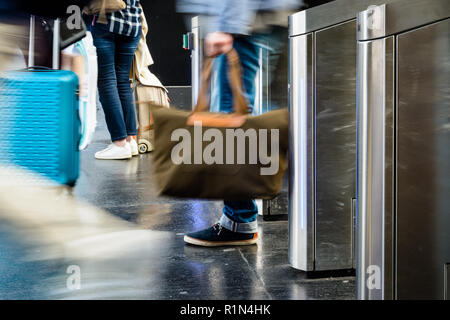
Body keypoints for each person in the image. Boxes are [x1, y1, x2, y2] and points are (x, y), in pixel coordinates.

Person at [178, 0, 303, 246]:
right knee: (261, 116)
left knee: (231, 122)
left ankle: (240, 221)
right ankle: (266, 191)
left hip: (244, 25)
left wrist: (227, 26)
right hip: (262, 18)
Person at [89, 0, 142, 160]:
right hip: (133, 23)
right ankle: (130, 140)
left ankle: (119, 143)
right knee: (122, 81)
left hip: (107, 21)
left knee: (107, 81)